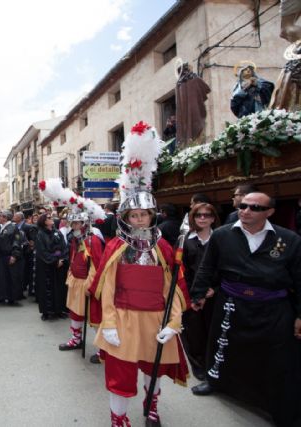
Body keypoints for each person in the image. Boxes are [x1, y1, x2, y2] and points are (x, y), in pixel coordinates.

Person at [90, 122, 189, 427]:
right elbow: (106, 288)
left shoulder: (162, 246)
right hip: (121, 318)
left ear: (152, 215)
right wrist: (107, 323)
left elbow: (172, 287)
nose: (139, 218)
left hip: (155, 318)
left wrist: (173, 323)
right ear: (125, 217)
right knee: (120, 373)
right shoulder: (117, 246)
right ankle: (119, 419)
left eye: (144, 214)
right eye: (134, 214)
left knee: (154, 368)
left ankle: (152, 406)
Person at [190, 192, 301, 427]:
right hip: (231, 302)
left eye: (254, 207)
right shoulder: (222, 235)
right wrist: (198, 293)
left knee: (278, 359)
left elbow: (300, 279)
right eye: (242, 206)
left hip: (273, 308)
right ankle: (215, 381)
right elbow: (207, 267)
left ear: (269, 212)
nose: (246, 210)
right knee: (222, 344)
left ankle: (278, 405)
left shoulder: (289, 240)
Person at [180, 203, 219, 381]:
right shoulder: (185, 240)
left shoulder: (220, 239)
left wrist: (214, 288)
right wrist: (192, 294)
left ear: (213, 218)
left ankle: (213, 365)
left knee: (213, 332)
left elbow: (227, 267)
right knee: (193, 332)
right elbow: (181, 269)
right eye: (198, 215)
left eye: (207, 215)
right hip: (191, 294)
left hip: (215, 295)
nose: (202, 218)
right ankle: (198, 366)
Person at [58, 207, 105, 356]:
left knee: (95, 315)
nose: (74, 226)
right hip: (76, 281)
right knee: (75, 312)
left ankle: (102, 350)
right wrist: (70, 274)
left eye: (77, 223)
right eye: (72, 223)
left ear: (84, 222)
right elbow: (73, 257)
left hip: (88, 283)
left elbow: (96, 264)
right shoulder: (75, 239)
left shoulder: (93, 239)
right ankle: (76, 339)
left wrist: (90, 284)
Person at [35, 213, 68, 320]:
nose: (51, 219)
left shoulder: (57, 232)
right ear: (44, 221)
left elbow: (64, 247)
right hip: (46, 266)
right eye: (49, 218)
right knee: (46, 288)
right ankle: (46, 312)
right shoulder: (40, 234)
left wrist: (62, 259)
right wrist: (54, 261)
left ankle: (59, 310)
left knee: (59, 288)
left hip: (59, 265)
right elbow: (42, 252)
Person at [0, 210, 24, 305]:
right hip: (0, 257)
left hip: (9, 256)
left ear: (5, 217)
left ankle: (12, 298)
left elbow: (16, 241)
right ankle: (1, 297)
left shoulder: (13, 227)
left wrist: (14, 255)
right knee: (1, 277)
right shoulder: (0, 227)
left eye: (0, 216)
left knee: (11, 277)